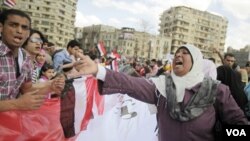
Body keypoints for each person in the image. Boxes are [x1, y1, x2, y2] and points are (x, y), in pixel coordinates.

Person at [75, 44, 248, 141]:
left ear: (196, 61)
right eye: (177, 53)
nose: (178, 55)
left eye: (185, 53)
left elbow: (240, 125)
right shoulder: (161, 87)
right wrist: (99, 71)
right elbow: (131, 84)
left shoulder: (217, 90)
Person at [0, 9, 64, 112]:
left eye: (24, 28)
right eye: (13, 25)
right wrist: (16, 104)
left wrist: (50, 87)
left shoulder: (25, 57)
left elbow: (26, 89)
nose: (19, 31)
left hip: (9, 124)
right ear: (1, 27)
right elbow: (19, 102)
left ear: (28, 33)